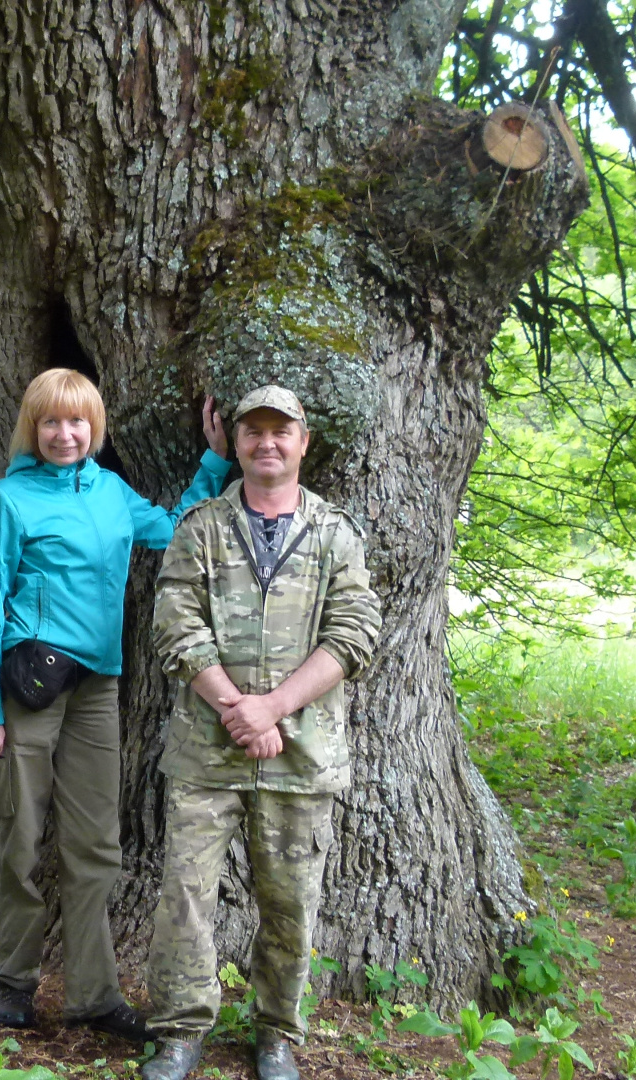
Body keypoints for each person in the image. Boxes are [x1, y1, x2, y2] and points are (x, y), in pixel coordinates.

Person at [0, 370, 231, 1040]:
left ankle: (93, 995)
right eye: (53, 422)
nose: (66, 434)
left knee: (95, 845)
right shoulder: (9, 498)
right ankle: (14, 982)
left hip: (97, 686)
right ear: (34, 428)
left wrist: (216, 460)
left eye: (78, 422)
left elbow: (177, 530)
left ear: (95, 428)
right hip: (26, 686)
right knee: (22, 838)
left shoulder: (111, 491)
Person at [142, 386, 383, 1080]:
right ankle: (180, 1031)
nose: (267, 443)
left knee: (290, 901)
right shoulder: (202, 526)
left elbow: (356, 633)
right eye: (254, 432)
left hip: (301, 755)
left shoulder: (336, 534)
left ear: (303, 442)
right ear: (238, 441)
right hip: (204, 752)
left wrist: (272, 708)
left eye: (282, 432)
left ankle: (277, 1031)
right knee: (185, 895)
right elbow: (175, 624)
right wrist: (232, 708)